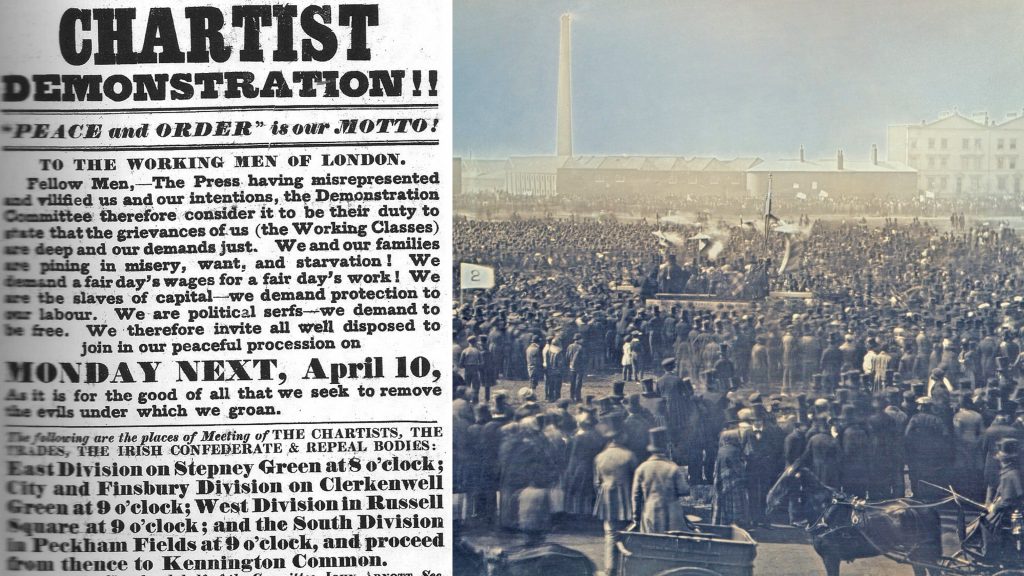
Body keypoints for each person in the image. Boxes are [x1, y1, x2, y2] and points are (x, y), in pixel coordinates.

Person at [593, 426, 637, 576]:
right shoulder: (629, 455)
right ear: (621, 437)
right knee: (629, 535)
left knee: (610, 535)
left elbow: (597, 483)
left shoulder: (599, 457)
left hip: (607, 500)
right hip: (626, 500)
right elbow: (636, 481)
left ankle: (610, 570)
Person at [632, 427, 691, 533]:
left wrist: (636, 518)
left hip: (650, 514)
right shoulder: (672, 467)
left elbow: (636, 497)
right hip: (672, 516)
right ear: (665, 448)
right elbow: (684, 490)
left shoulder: (642, 468)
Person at [566, 333, 587, 403]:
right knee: (578, 383)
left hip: (571, 367)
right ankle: (577, 397)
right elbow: (584, 358)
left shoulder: (569, 346)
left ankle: (571, 396)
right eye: (581, 339)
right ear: (579, 339)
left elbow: (567, 356)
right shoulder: (580, 347)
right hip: (579, 367)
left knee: (572, 382)